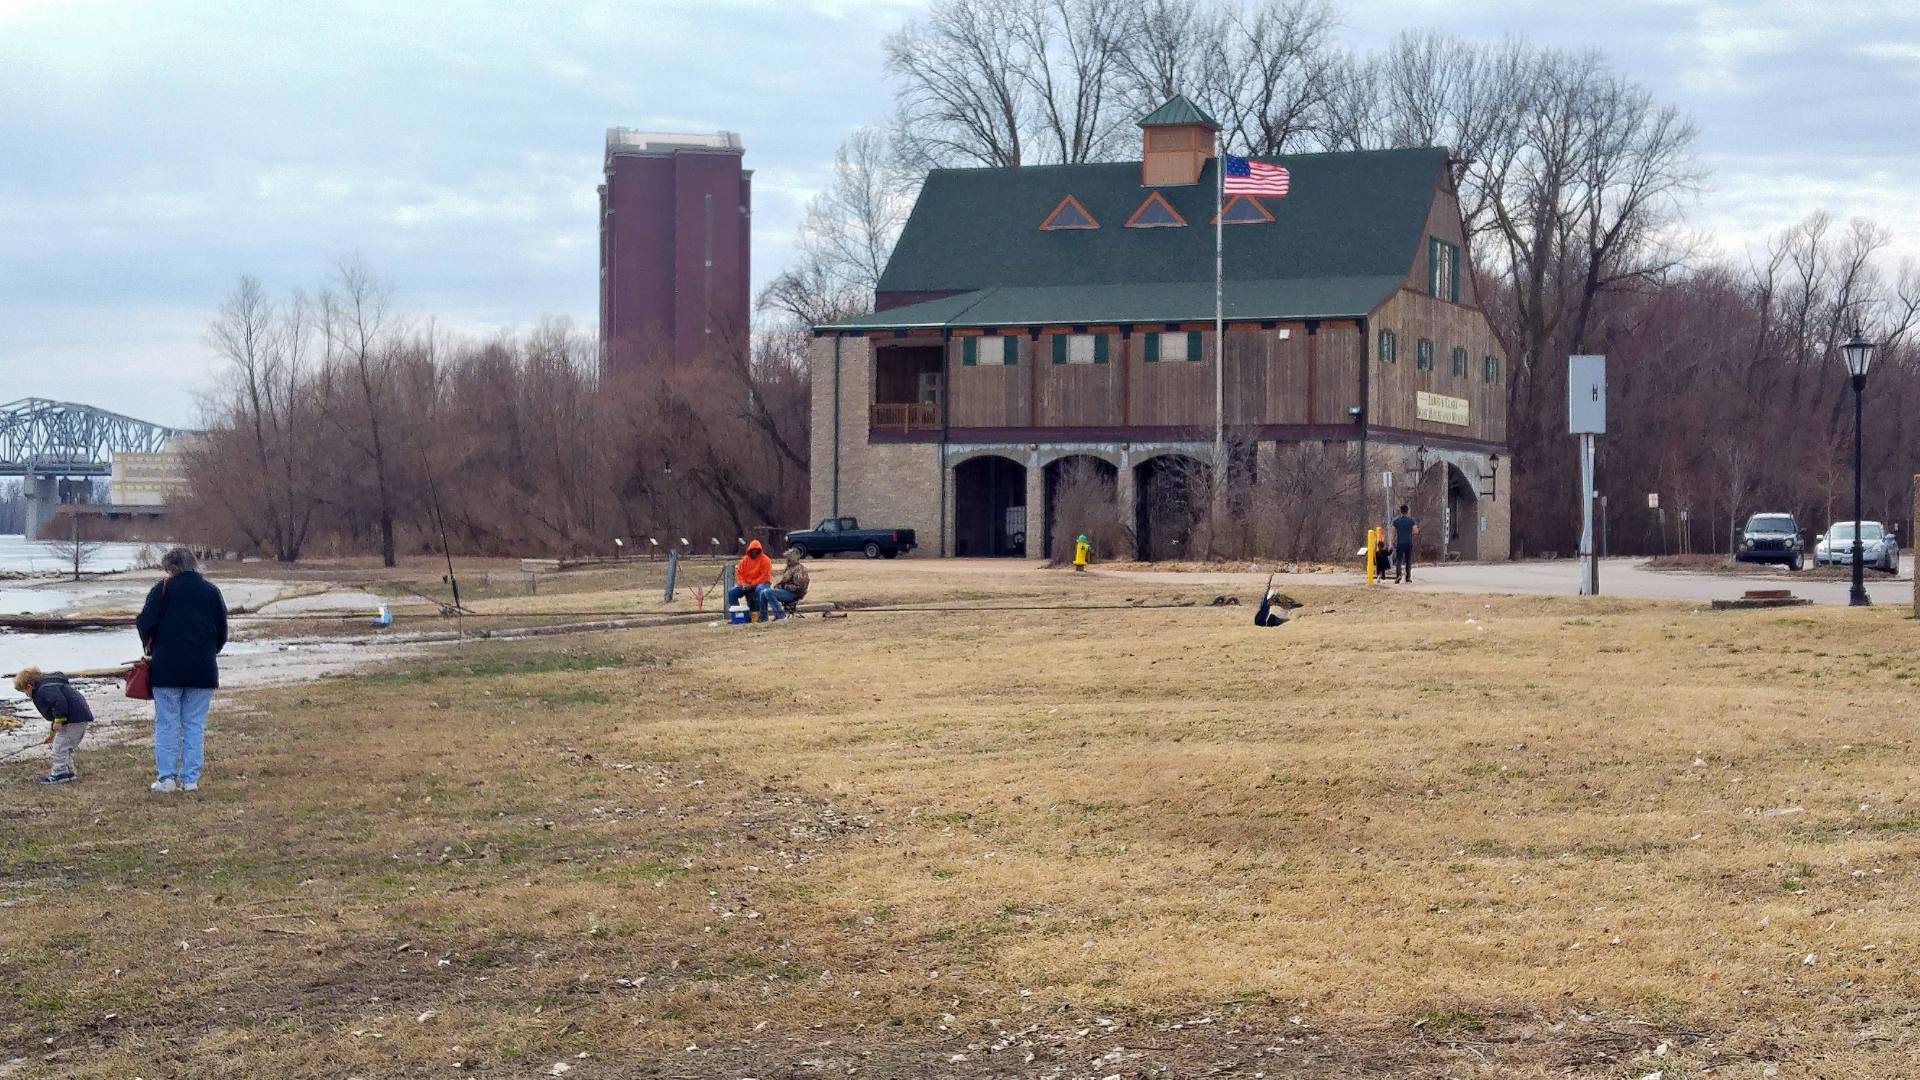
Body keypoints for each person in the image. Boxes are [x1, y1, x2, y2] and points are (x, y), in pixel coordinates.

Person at [135, 546, 227, 794]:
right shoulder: (211, 591)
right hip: (203, 668)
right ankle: (190, 780)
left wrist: (150, 646)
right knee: (194, 725)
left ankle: (166, 779)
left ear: (171, 568)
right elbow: (222, 631)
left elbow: (145, 622)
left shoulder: (161, 589)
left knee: (167, 724)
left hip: (166, 668)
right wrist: (208, 651)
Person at [13, 667, 94, 784]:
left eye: (24, 691)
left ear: (29, 686)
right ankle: (68, 772)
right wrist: (51, 734)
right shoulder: (50, 686)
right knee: (66, 747)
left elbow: (59, 703)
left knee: (59, 748)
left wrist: (59, 720)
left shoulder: (44, 690)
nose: (26, 695)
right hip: (78, 717)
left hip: (73, 718)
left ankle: (59, 774)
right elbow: (55, 713)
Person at [726, 540, 773, 620]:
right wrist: (743, 584)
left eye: (756, 551)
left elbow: (764, 577)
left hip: (762, 584)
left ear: (759, 551)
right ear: (749, 551)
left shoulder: (766, 560)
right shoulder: (744, 560)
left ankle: (762, 617)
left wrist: (752, 585)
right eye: (753, 551)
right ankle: (738, 617)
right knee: (732, 592)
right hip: (746, 585)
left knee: (760, 590)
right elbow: (739, 574)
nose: (754, 553)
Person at [763, 547, 810, 620]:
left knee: (768, 592)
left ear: (792, 558)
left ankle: (781, 616)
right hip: (787, 591)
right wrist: (778, 586)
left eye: (788, 558)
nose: (786, 560)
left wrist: (783, 586)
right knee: (763, 592)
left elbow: (799, 588)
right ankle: (762, 618)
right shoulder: (790, 568)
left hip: (794, 594)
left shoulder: (800, 570)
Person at [1391, 504, 1419, 583]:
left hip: (1400, 543)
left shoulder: (1396, 521)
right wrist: (1411, 534)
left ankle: (1398, 575)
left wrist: (1391, 542)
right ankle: (1408, 577)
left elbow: (1392, 533)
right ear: (1407, 511)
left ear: (1400, 511)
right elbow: (1416, 531)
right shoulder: (1411, 521)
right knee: (1408, 560)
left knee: (1399, 560)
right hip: (1408, 543)